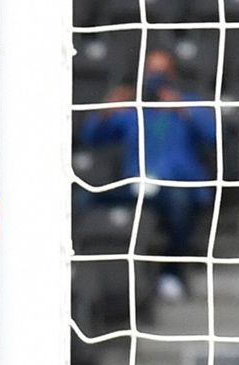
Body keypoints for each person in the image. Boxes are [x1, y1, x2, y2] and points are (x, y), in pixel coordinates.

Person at [79, 48, 217, 302]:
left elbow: (213, 136)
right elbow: (90, 137)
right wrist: (108, 108)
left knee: (179, 205)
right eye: (151, 71)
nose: (155, 78)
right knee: (84, 201)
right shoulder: (133, 111)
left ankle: (171, 275)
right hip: (136, 185)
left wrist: (180, 107)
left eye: (161, 71)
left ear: (172, 74)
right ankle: (82, 273)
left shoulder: (190, 104)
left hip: (176, 187)